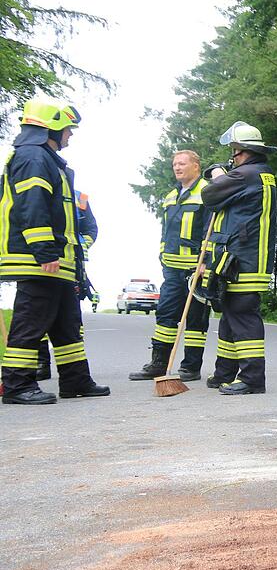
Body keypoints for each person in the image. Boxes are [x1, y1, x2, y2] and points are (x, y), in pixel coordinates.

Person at [0, 97, 109, 404]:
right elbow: (31, 206)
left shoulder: (44, 158)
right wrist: (45, 252)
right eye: (67, 130)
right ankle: (17, 386)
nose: (70, 136)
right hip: (39, 260)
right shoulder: (34, 157)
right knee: (30, 322)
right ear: (52, 127)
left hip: (57, 261)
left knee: (66, 324)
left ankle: (76, 381)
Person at [201, 122, 277, 395]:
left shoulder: (245, 175)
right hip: (249, 258)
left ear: (244, 152)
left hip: (243, 260)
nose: (232, 157)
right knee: (230, 317)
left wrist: (219, 175)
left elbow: (208, 194)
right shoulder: (262, 174)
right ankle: (224, 372)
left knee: (243, 318)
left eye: (234, 152)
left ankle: (252, 380)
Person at [129, 150, 210, 381]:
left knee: (195, 320)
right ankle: (159, 363)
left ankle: (190, 367)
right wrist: (163, 254)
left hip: (197, 269)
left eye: (182, 163)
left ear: (196, 165)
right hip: (172, 271)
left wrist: (205, 262)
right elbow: (167, 231)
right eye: (174, 164)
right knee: (165, 315)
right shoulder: (171, 196)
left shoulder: (207, 193)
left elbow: (211, 229)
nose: (177, 167)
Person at [36, 189, 97, 381]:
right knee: (38, 315)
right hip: (41, 261)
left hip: (71, 265)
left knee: (71, 320)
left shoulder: (81, 198)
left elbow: (91, 229)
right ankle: (41, 364)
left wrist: (78, 246)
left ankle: (74, 371)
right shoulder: (39, 191)